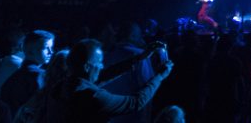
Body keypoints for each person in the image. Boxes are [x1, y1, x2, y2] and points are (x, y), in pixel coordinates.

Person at [40, 38, 173, 122]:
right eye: (99, 62)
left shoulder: (62, 86)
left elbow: (104, 75)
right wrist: (160, 76)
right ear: (87, 67)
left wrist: (140, 58)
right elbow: (135, 102)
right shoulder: (93, 96)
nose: (102, 66)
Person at [0, 29, 55, 114]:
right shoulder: (39, 76)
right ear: (30, 51)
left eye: (51, 48)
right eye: (45, 48)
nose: (51, 52)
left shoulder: (15, 76)